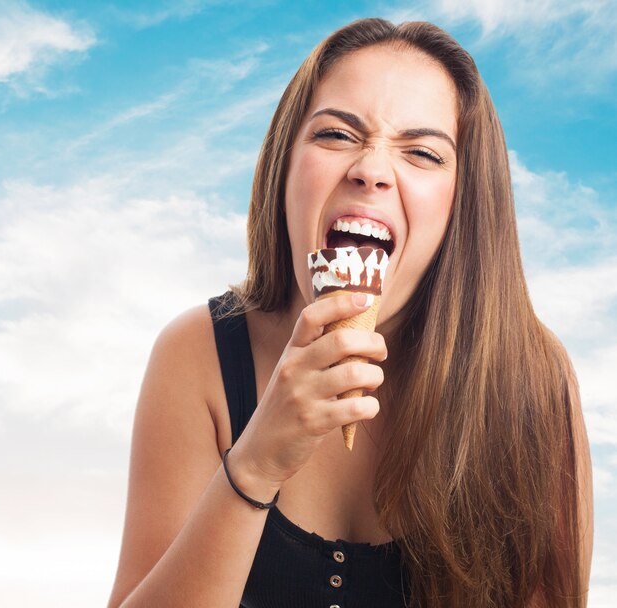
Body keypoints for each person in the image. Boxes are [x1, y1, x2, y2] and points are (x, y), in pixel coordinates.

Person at [107, 18, 593, 608]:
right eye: (337, 135)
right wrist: (254, 467)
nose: (371, 169)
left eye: (422, 152)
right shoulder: (197, 355)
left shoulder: (532, 380)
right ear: (284, 168)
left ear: (463, 202)